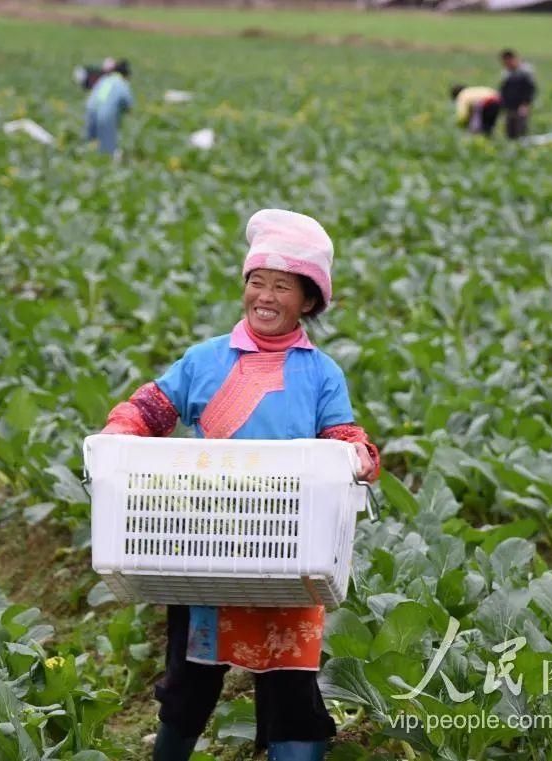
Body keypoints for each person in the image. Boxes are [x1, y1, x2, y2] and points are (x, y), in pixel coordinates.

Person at [101, 209, 381, 761]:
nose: (266, 296)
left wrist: (359, 453)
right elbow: (150, 408)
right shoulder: (206, 360)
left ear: (308, 301)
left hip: (288, 552)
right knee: (190, 685)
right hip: (208, 548)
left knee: (291, 687)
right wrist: (118, 430)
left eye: (283, 286)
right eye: (257, 282)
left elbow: (342, 432)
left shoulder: (322, 373)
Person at [84, 58, 132, 156]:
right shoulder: (121, 82)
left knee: (91, 143)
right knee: (107, 150)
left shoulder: (104, 79)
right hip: (106, 114)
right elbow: (128, 103)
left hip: (91, 110)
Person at [499, 49, 536, 140]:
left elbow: (530, 90)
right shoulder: (506, 73)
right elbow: (503, 90)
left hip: (521, 107)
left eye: (508, 62)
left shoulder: (525, 72)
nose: (507, 65)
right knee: (509, 132)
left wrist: (525, 105)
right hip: (509, 107)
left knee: (520, 131)